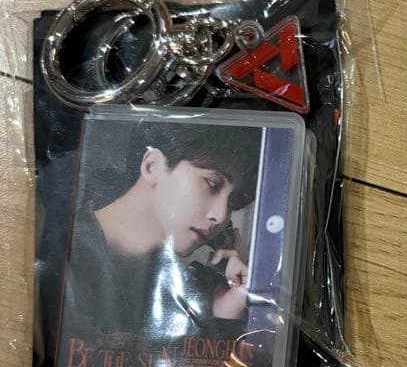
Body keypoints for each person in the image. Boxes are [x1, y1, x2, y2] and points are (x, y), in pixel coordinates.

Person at [58, 120, 262, 345]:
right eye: (212, 183)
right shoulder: (58, 252)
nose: (221, 216)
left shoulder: (177, 290)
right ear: (152, 166)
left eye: (232, 202)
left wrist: (223, 310)